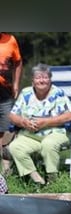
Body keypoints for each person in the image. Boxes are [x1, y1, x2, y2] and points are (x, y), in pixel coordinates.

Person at [7, 63, 71, 186]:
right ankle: (37, 179)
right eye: (38, 77)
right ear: (33, 80)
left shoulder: (58, 93)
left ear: (50, 79)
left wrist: (46, 122)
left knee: (48, 144)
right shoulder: (26, 93)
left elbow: (70, 115)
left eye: (45, 77)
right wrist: (23, 122)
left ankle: (52, 179)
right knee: (14, 147)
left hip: (55, 133)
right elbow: (12, 115)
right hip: (30, 135)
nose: (42, 80)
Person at [0, 33, 22, 175]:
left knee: (6, 129)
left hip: (5, 92)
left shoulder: (10, 40)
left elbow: (18, 62)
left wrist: (15, 84)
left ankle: (5, 170)